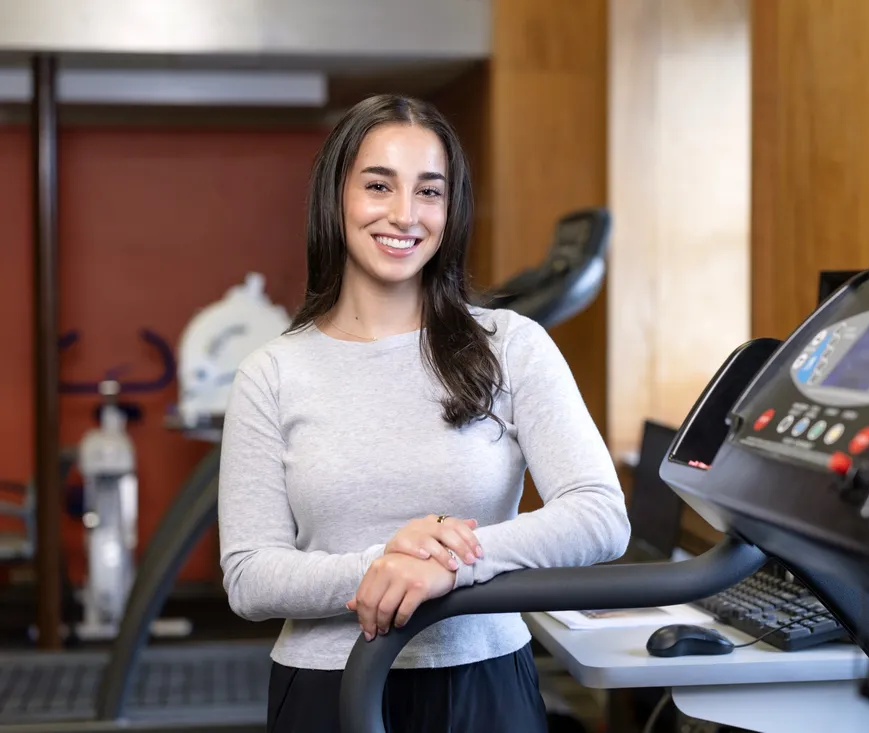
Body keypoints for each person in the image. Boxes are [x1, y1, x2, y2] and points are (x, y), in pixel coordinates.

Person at [217, 93, 631, 733]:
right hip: (325, 688)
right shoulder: (271, 373)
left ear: (451, 209)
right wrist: (381, 563)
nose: (404, 214)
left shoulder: (511, 345)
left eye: (429, 192)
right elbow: (249, 577)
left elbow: (601, 516)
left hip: (481, 682)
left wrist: (447, 563)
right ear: (337, 197)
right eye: (379, 185)